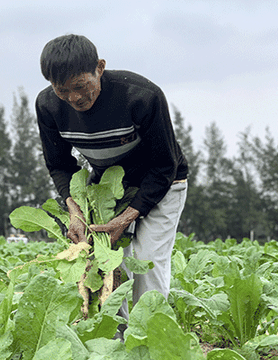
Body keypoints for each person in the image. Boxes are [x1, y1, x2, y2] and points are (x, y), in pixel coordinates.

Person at [35, 34, 188, 324]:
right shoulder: (48, 106)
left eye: (81, 86)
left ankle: (149, 339)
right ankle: (112, 341)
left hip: (164, 183)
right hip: (108, 188)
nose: (74, 98)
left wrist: (125, 219)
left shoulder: (140, 96)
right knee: (105, 265)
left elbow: (165, 165)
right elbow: (59, 164)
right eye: (62, 90)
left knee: (147, 261)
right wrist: (75, 212)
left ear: (100, 68)